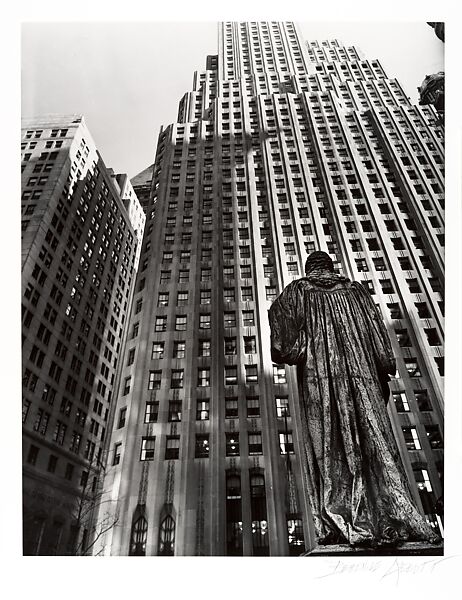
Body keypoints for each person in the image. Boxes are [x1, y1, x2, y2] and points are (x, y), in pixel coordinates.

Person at [268, 251, 440, 548]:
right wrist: (383, 367)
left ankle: (345, 518)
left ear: (310, 269)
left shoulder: (297, 291)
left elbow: (282, 345)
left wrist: (306, 347)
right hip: (364, 379)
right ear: (331, 269)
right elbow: (380, 341)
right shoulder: (356, 290)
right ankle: (390, 516)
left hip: (320, 382)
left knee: (329, 445)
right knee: (376, 442)